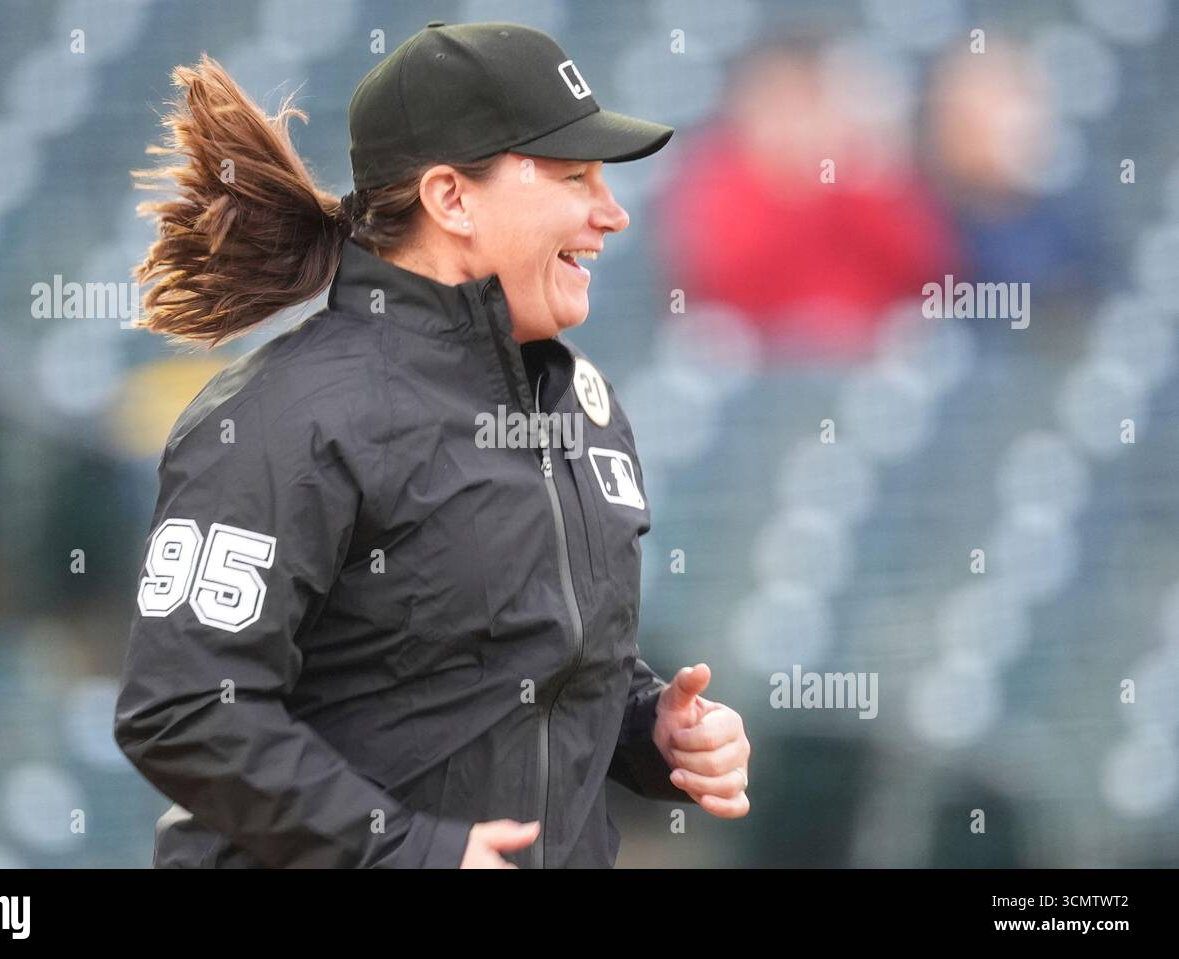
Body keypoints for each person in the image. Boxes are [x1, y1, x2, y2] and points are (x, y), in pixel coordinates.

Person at [113, 20, 750, 869]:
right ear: (451, 199)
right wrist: (403, 852)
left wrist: (650, 727)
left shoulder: (576, 401)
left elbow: (522, 670)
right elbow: (186, 708)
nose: (612, 212)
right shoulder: (288, 413)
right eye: (573, 177)